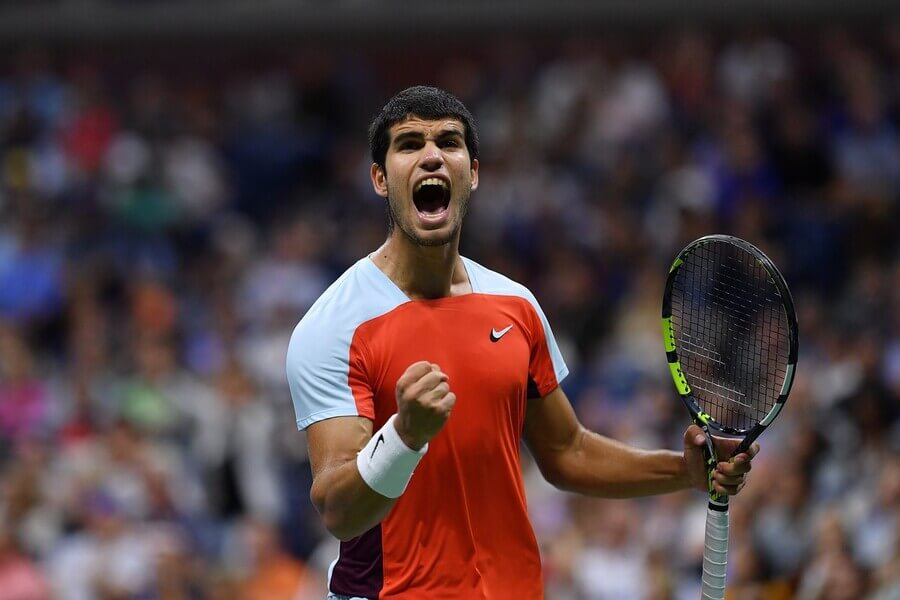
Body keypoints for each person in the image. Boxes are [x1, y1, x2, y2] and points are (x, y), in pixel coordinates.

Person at [286, 85, 758, 599]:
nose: (430, 156)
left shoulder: (516, 307)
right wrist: (405, 437)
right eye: (409, 144)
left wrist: (684, 471)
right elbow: (338, 510)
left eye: (448, 142)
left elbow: (567, 451)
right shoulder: (334, 325)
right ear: (380, 178)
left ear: (474, 172)